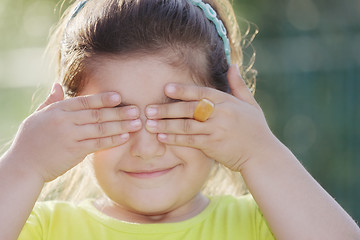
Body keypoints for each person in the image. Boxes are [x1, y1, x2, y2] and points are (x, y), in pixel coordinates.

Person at [0, 0, 359, 239]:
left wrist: (261, 153)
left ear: (229, 110)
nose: (145, 148)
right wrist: (24, 165)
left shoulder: (267, 224)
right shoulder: (41, 228)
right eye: (114, 117)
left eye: (175, 114)